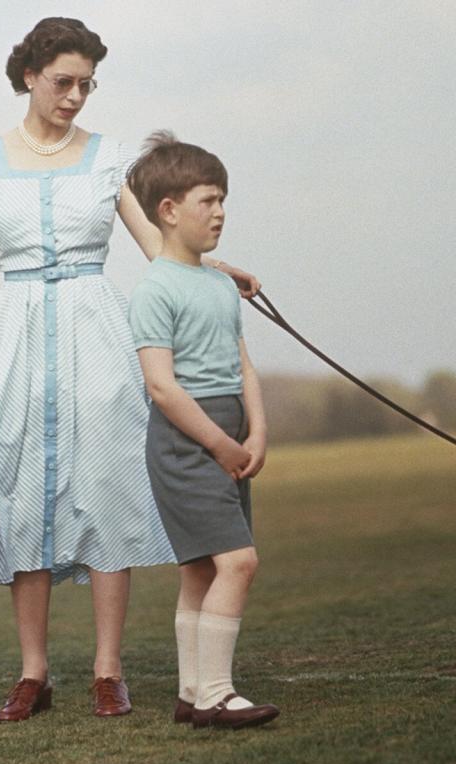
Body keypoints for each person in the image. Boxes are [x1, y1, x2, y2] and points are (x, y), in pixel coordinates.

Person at [0, 18, 260, 723]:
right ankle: (33, 673)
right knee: (24, 497)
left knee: (105, 491)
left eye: (87, 84)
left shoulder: (111, 159)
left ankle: (107, 670)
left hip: (98, 333)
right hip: (18, 334)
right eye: (64, 81)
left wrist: (218, 272)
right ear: (29, 75)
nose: (76, 95)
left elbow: (161, 246)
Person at [128, 132, 279, 729]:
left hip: (230, 435)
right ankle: (217, 694)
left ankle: (192, 695)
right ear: (168, 210)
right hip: (185, 441)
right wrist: (219, 444)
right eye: (207, 201)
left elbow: (243, 365)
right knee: (238, 562)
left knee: (202, 567)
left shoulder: (219, 284)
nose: (220, 213)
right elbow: (162, 387)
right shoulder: (154, 289)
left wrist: (257, 432)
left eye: (223, 201)